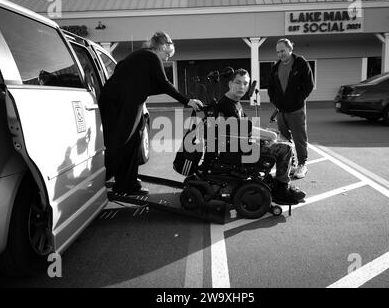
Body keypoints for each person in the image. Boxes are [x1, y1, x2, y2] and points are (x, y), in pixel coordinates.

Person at [99, 31, 203, 196]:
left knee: (133, 142)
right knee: (123, 143)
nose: (167, 59)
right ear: (162, 47)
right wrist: (187, 100)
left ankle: (127, 183)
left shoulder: (141, 56)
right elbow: (164, 83)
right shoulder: (151, 57)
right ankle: (113, 180)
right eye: (168, 54)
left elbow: (144, 81)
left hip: (120, 101)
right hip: (120, 103)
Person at [215, 68, 305, 204]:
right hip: (238, 149)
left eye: (245, 83)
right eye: (238, 82)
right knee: (286, 148)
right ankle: (282, 188)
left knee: (278, 137)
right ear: (230, 84)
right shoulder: (226, 104)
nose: (242, 87)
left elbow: (245, 126)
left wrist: (266, 136)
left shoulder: (234, 101)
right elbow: (245, 129)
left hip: (242, 143)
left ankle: (279, 182)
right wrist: (269, 136)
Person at [267, 38, 314, 179]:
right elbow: (271, 89)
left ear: (290, 49)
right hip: (281, 110)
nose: (280, 54)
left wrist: (297, 100)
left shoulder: (301, 63)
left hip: (296, 110)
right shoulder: (276, 67)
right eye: (278, 52)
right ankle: (290, 164)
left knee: (299, 138)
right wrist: (276, 102)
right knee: (284, 139)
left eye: (282, 50)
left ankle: (302, 164)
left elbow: (309, 85)